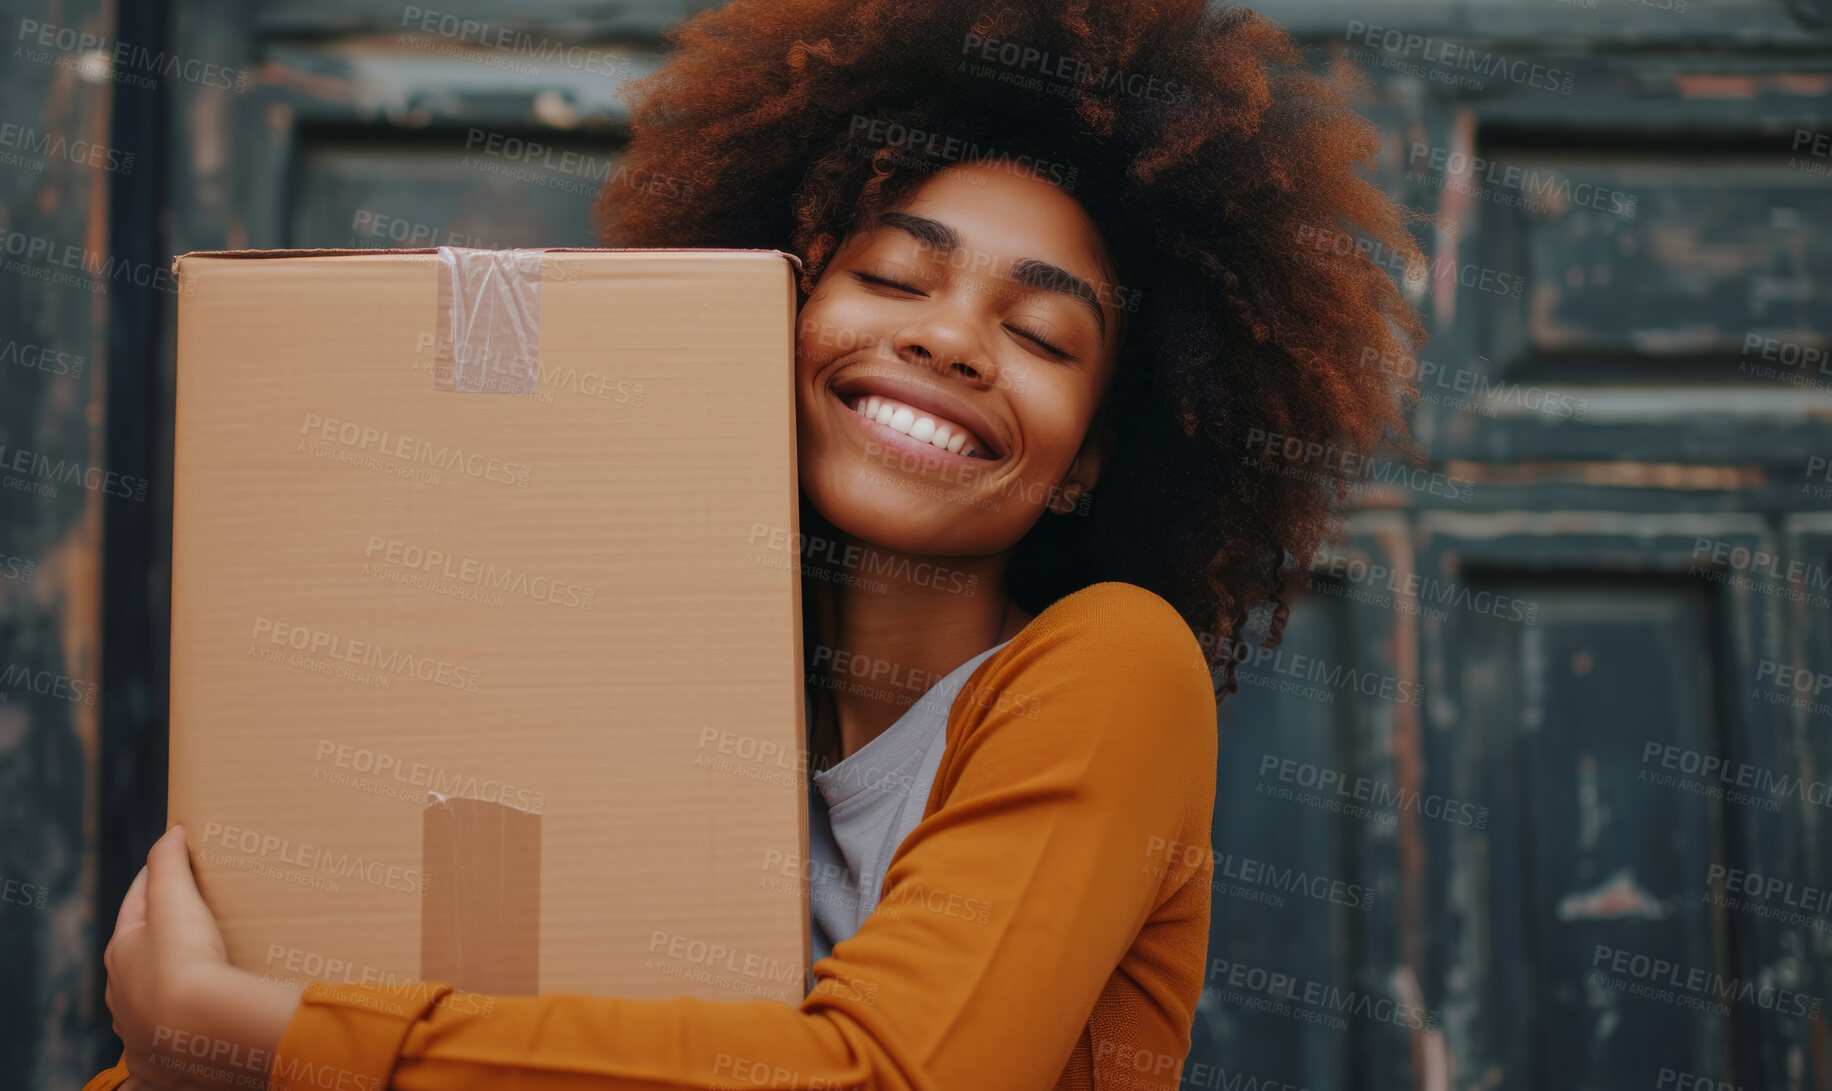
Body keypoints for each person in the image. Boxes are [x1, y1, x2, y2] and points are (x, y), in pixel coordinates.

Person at [85, 0, 1426, 1087]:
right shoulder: (656, 675)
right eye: (893, 279)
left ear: (1085, 467)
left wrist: (258, 1037)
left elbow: (883, 1077)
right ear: (763, 325)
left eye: (1039, 335)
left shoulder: (1111, 671)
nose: (947, 339)